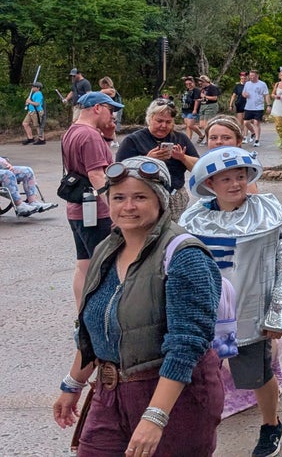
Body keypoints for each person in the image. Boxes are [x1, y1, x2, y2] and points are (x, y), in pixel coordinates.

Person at [52, 156, 224, 456]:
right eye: (119, 197)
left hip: (175, 397)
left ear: (160, 201)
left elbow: (186, 344)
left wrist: (155, 416)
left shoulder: (185, 255)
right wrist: (73, 384)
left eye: (140, 197)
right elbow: (93, 329)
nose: (128, 206)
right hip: (110, 394)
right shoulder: (106, 249)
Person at [180, 147, 282, 456]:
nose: (235, 184)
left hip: (249, 316)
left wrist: (278, 313)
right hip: (206, 317)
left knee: (256, 375)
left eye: (240, 176)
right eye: (226, 179)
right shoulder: (193, 219)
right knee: (199, 376)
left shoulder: (268, 213)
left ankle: (271, 425)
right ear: (209, 183)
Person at [61, 92, 122, 307]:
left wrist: (108, 137)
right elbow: (97, 174)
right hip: (96, 211)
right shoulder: (90, 135)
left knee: (84, 265)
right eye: (110, 110)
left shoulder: (72, 131)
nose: (113, 115)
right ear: (97, 108)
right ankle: (101, 314)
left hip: (77, 209)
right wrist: (114, 208)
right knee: (105, 267)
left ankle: (81, 314)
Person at [116, 99, 200, 222]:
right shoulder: (133, 140)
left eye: (168, 122)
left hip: (175, 197)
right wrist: (147, 160)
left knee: (173, 231)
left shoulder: (180, 138)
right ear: (149, 119)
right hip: (143, 196)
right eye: (159, 121)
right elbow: (120, 173)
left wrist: (182, 157)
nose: (163, 126)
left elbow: (199, 168)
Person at [242, 70, 269, 148]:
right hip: (248, 106)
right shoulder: (247, 84)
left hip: (258, 107)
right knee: (246, 122)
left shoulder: (262, 84)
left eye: (253, 76)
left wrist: (268, 105)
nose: (251, 77)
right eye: (250, 76)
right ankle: (253, 132)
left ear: (257, 76)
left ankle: (257, 140)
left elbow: (266, 95)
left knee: (256, 123)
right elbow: (243, 93)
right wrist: (244, 95)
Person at [195, 75, 220, 141]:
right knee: (201, 125)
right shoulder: (203, 89)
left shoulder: (212, 87)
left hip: (211, 106)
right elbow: (203, 98)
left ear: (205, 81)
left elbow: (215, 98)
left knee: (207, 124)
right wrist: (199, 99)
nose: (199, 83)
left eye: (201, 81)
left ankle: (208, 139)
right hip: (203, 106)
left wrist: (205, 96)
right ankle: (208, 135)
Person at [180, 76, 203, 145]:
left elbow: (196, 100)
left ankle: (200, 135)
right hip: (185, 109)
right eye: (187, 84)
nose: (188, 85)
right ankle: (189, 139)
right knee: (187, 125)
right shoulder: (187, 90)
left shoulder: (196, 90)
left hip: (192, 109)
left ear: (193, 83)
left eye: (190, 83)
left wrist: (195, 110)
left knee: (190, 125)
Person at [22, 80, 45, 145]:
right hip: (31, 111)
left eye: (34, 87)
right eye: (32, 86)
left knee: (38, 126)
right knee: (25, 123)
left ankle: (42, 139)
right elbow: (32, 102)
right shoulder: (34, 93)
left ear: (38, 88)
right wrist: (28, 103)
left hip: (36, 112)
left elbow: (37, 104)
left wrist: (29, 102)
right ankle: (30, 138)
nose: (32, 87)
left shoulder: (39, 94)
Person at [230, 71, 248, 136]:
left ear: (247, 78)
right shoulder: (237, 86)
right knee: (239, 121)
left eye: (244, 78)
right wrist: (230, 105)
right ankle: (241, 134)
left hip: (248, 104)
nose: (243, 79)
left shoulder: (249, 85)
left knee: (246, 121)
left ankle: (245, 135)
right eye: (242, 78)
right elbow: (233, 95)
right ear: (240, 78)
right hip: (239, 104)